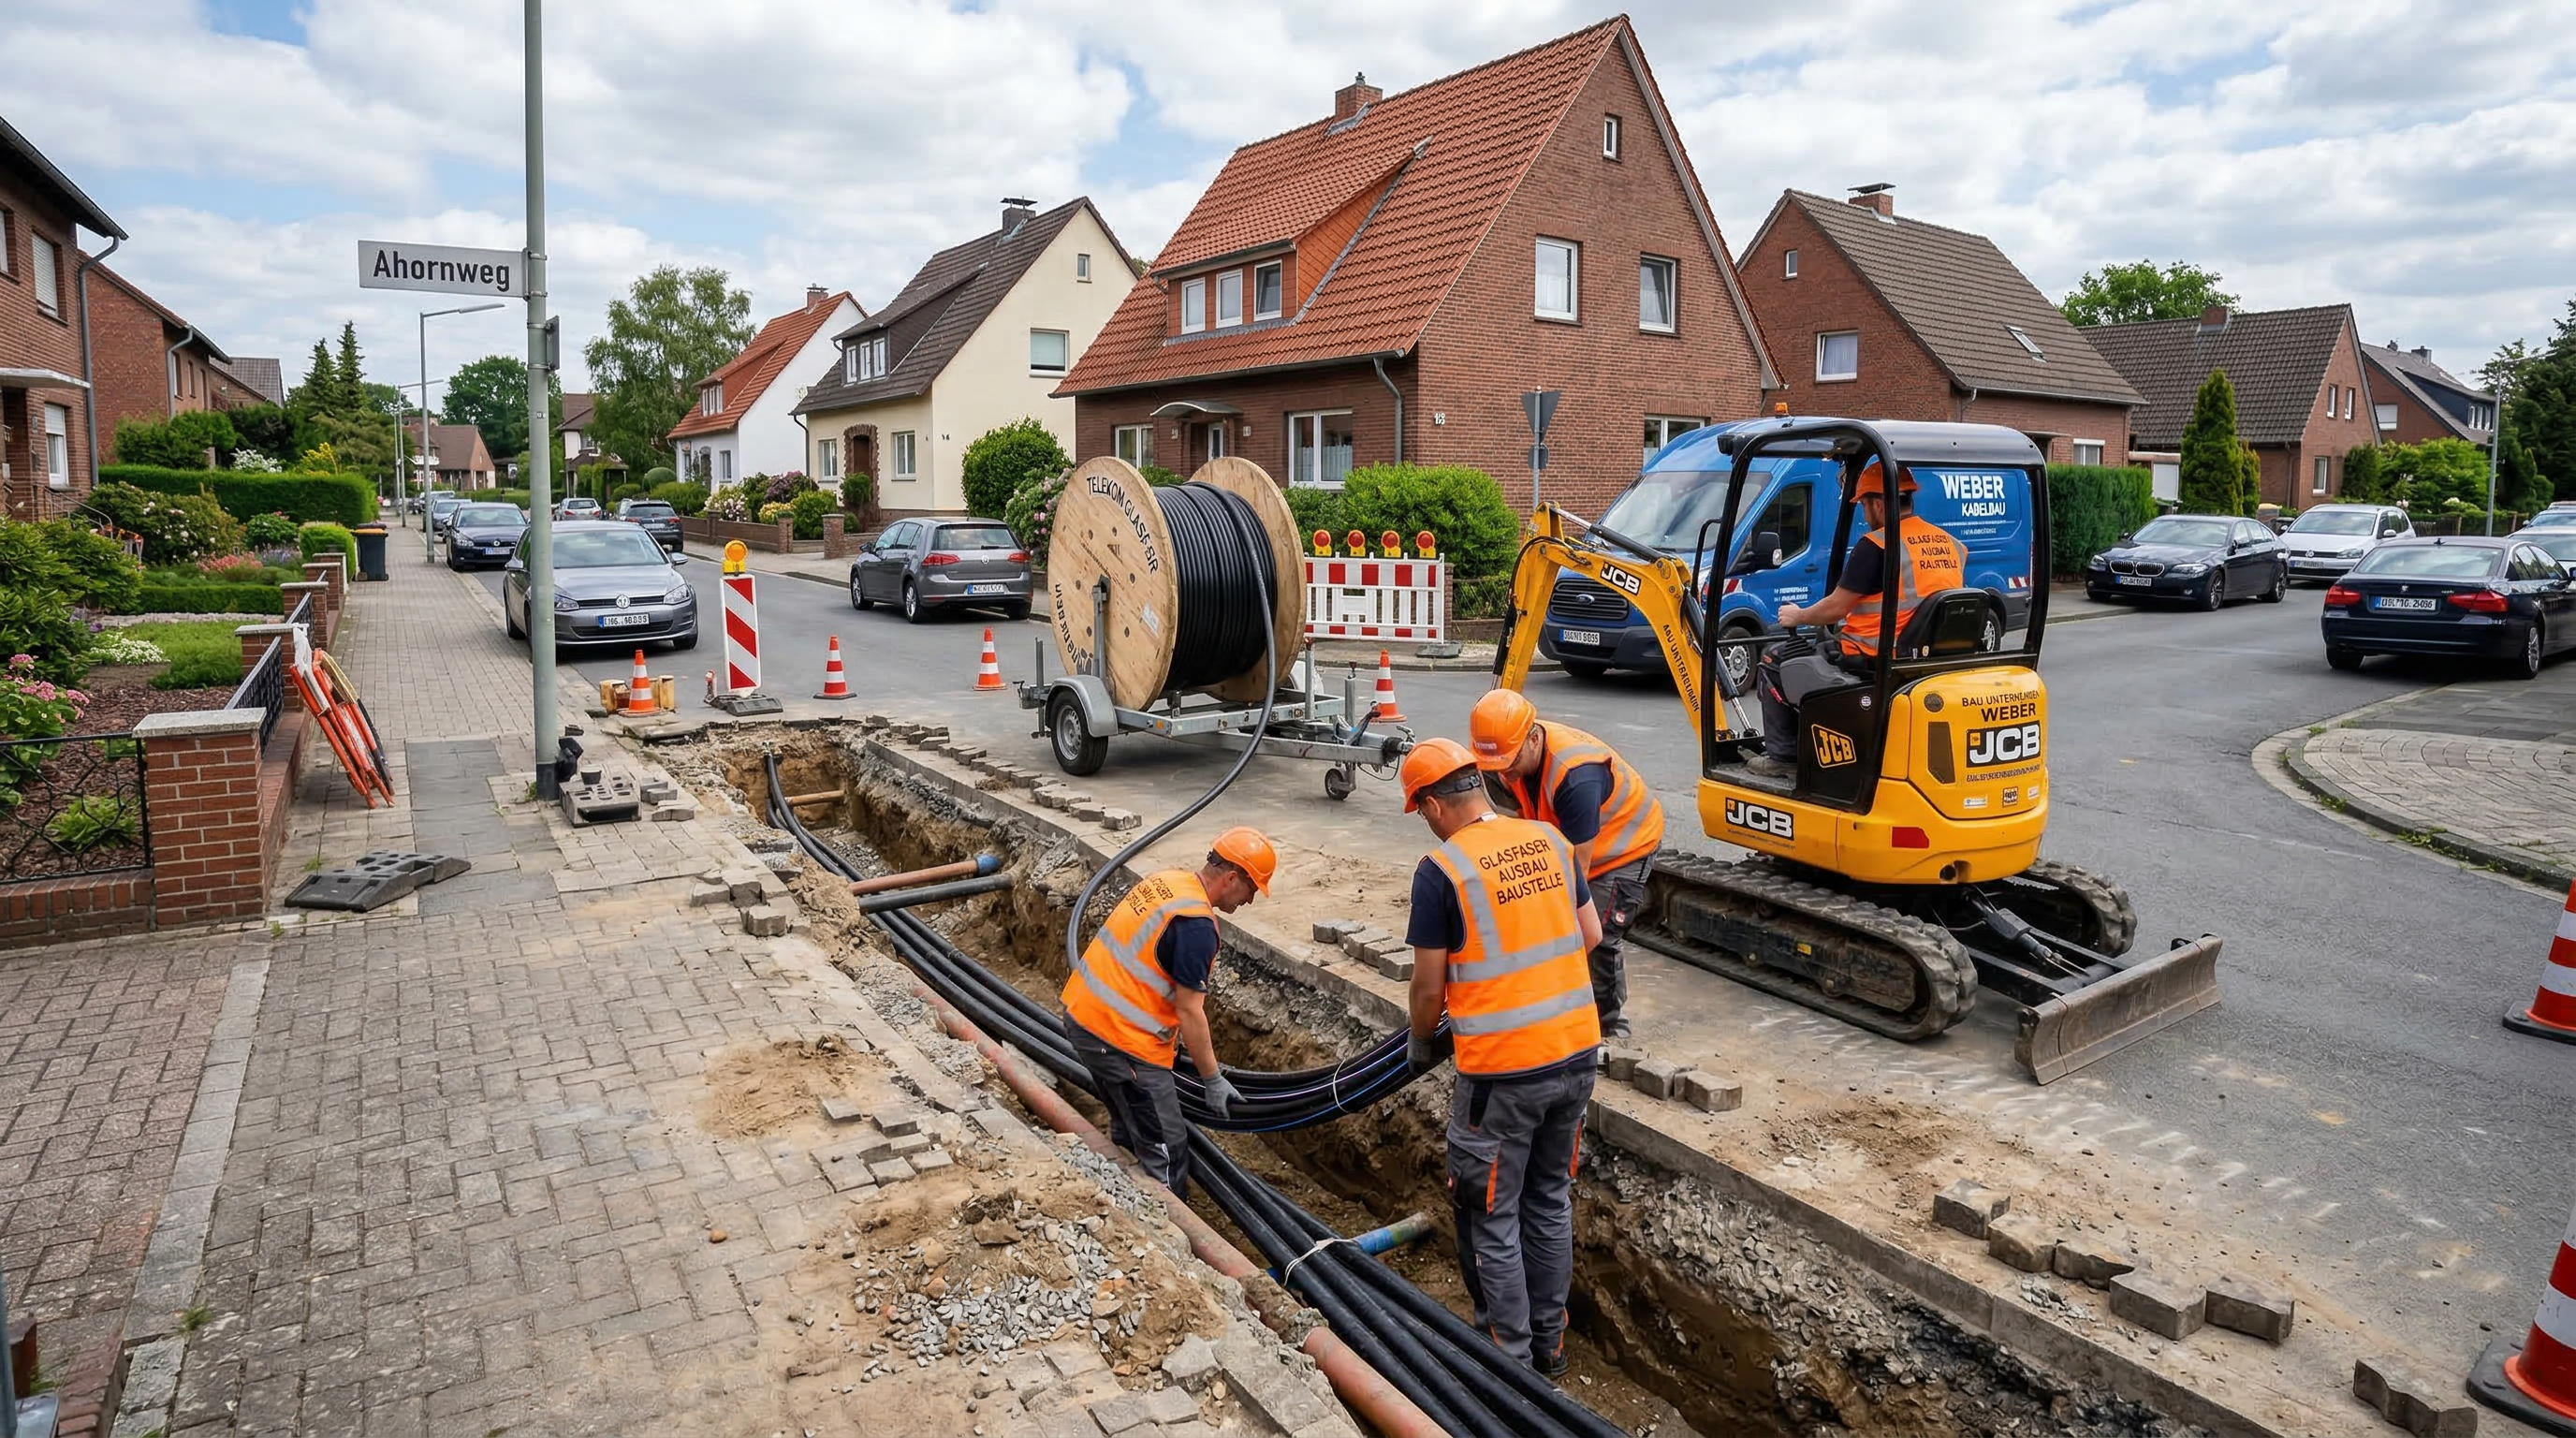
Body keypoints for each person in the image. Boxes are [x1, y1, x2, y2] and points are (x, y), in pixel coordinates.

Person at [1398, 738, 1603, 1378]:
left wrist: (1420, 1037)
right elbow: (1590, 936)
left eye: (1421, 811)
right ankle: (1549, 1350)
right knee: (1547, 1201)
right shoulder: (1549, 840)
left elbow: (1429, 987)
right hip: (1575, 1056)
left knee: (1491, 1215)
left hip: (1502, 1076)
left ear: (1433, 805)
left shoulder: (1442, 871)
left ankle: (1509, 1369)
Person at [1060, 827, 1276, 1198]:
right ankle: (1166, 1228)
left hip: (1086, 1018)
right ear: (1231, 878)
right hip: (1121, 1040)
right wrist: (1211, 1079)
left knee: (1130, 1125)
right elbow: (1190, 1011)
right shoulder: (1196, 927)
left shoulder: (1170, 881)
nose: (1250, 901)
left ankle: (1123, 1187)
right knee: (1168, 1147)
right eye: (1251, 889)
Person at [1468, 689, 1663, 1041]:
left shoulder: (1576, 777)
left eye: (1509, 766)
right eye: (1495, 769)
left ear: (1532, 738)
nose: (1504, 776)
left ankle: (1610, 1026)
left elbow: (1576, 875)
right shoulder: (1507, 758)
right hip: (1568, 839)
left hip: (1622, 847)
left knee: (1596, 933)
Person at [1749, 460, 1965, 780]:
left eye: (1864, 504)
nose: (1864, 515)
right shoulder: (1949, 544)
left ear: (1879, 503)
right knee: (1819, 647)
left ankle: (1783, 756)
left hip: (1872, 653)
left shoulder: (1878, 544)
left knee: (1774, 660)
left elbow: (1836, 608)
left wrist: (1798, 615)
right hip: (1925, 653)